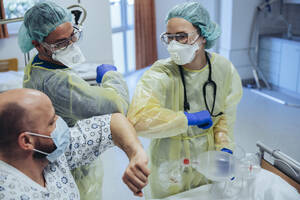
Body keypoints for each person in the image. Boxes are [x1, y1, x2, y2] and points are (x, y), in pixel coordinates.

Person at [127, 2, 243, 199]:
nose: (174, 44)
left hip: (207, 162)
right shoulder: (160, 73)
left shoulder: (224, 69)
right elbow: (138, 119)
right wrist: (187, 119)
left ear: (203, 36)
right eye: (169, 37)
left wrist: (224, 148)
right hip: (169, 165)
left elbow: (224, 116)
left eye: (181, 36)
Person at [18, 2, 129, 199]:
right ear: (37, 44)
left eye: (73, 35)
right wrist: (112, 77)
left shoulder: (37, 65)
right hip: (73, 167)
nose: (71, 45)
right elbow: (116, 106)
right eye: (60, 43)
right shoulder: (58, 82)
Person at [0, 88, 150, 199]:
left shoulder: (52, 152)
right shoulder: (10, 192)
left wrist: (136, 153)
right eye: (52, 122)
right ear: (27, 141)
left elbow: (113, 122)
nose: (60, 123)